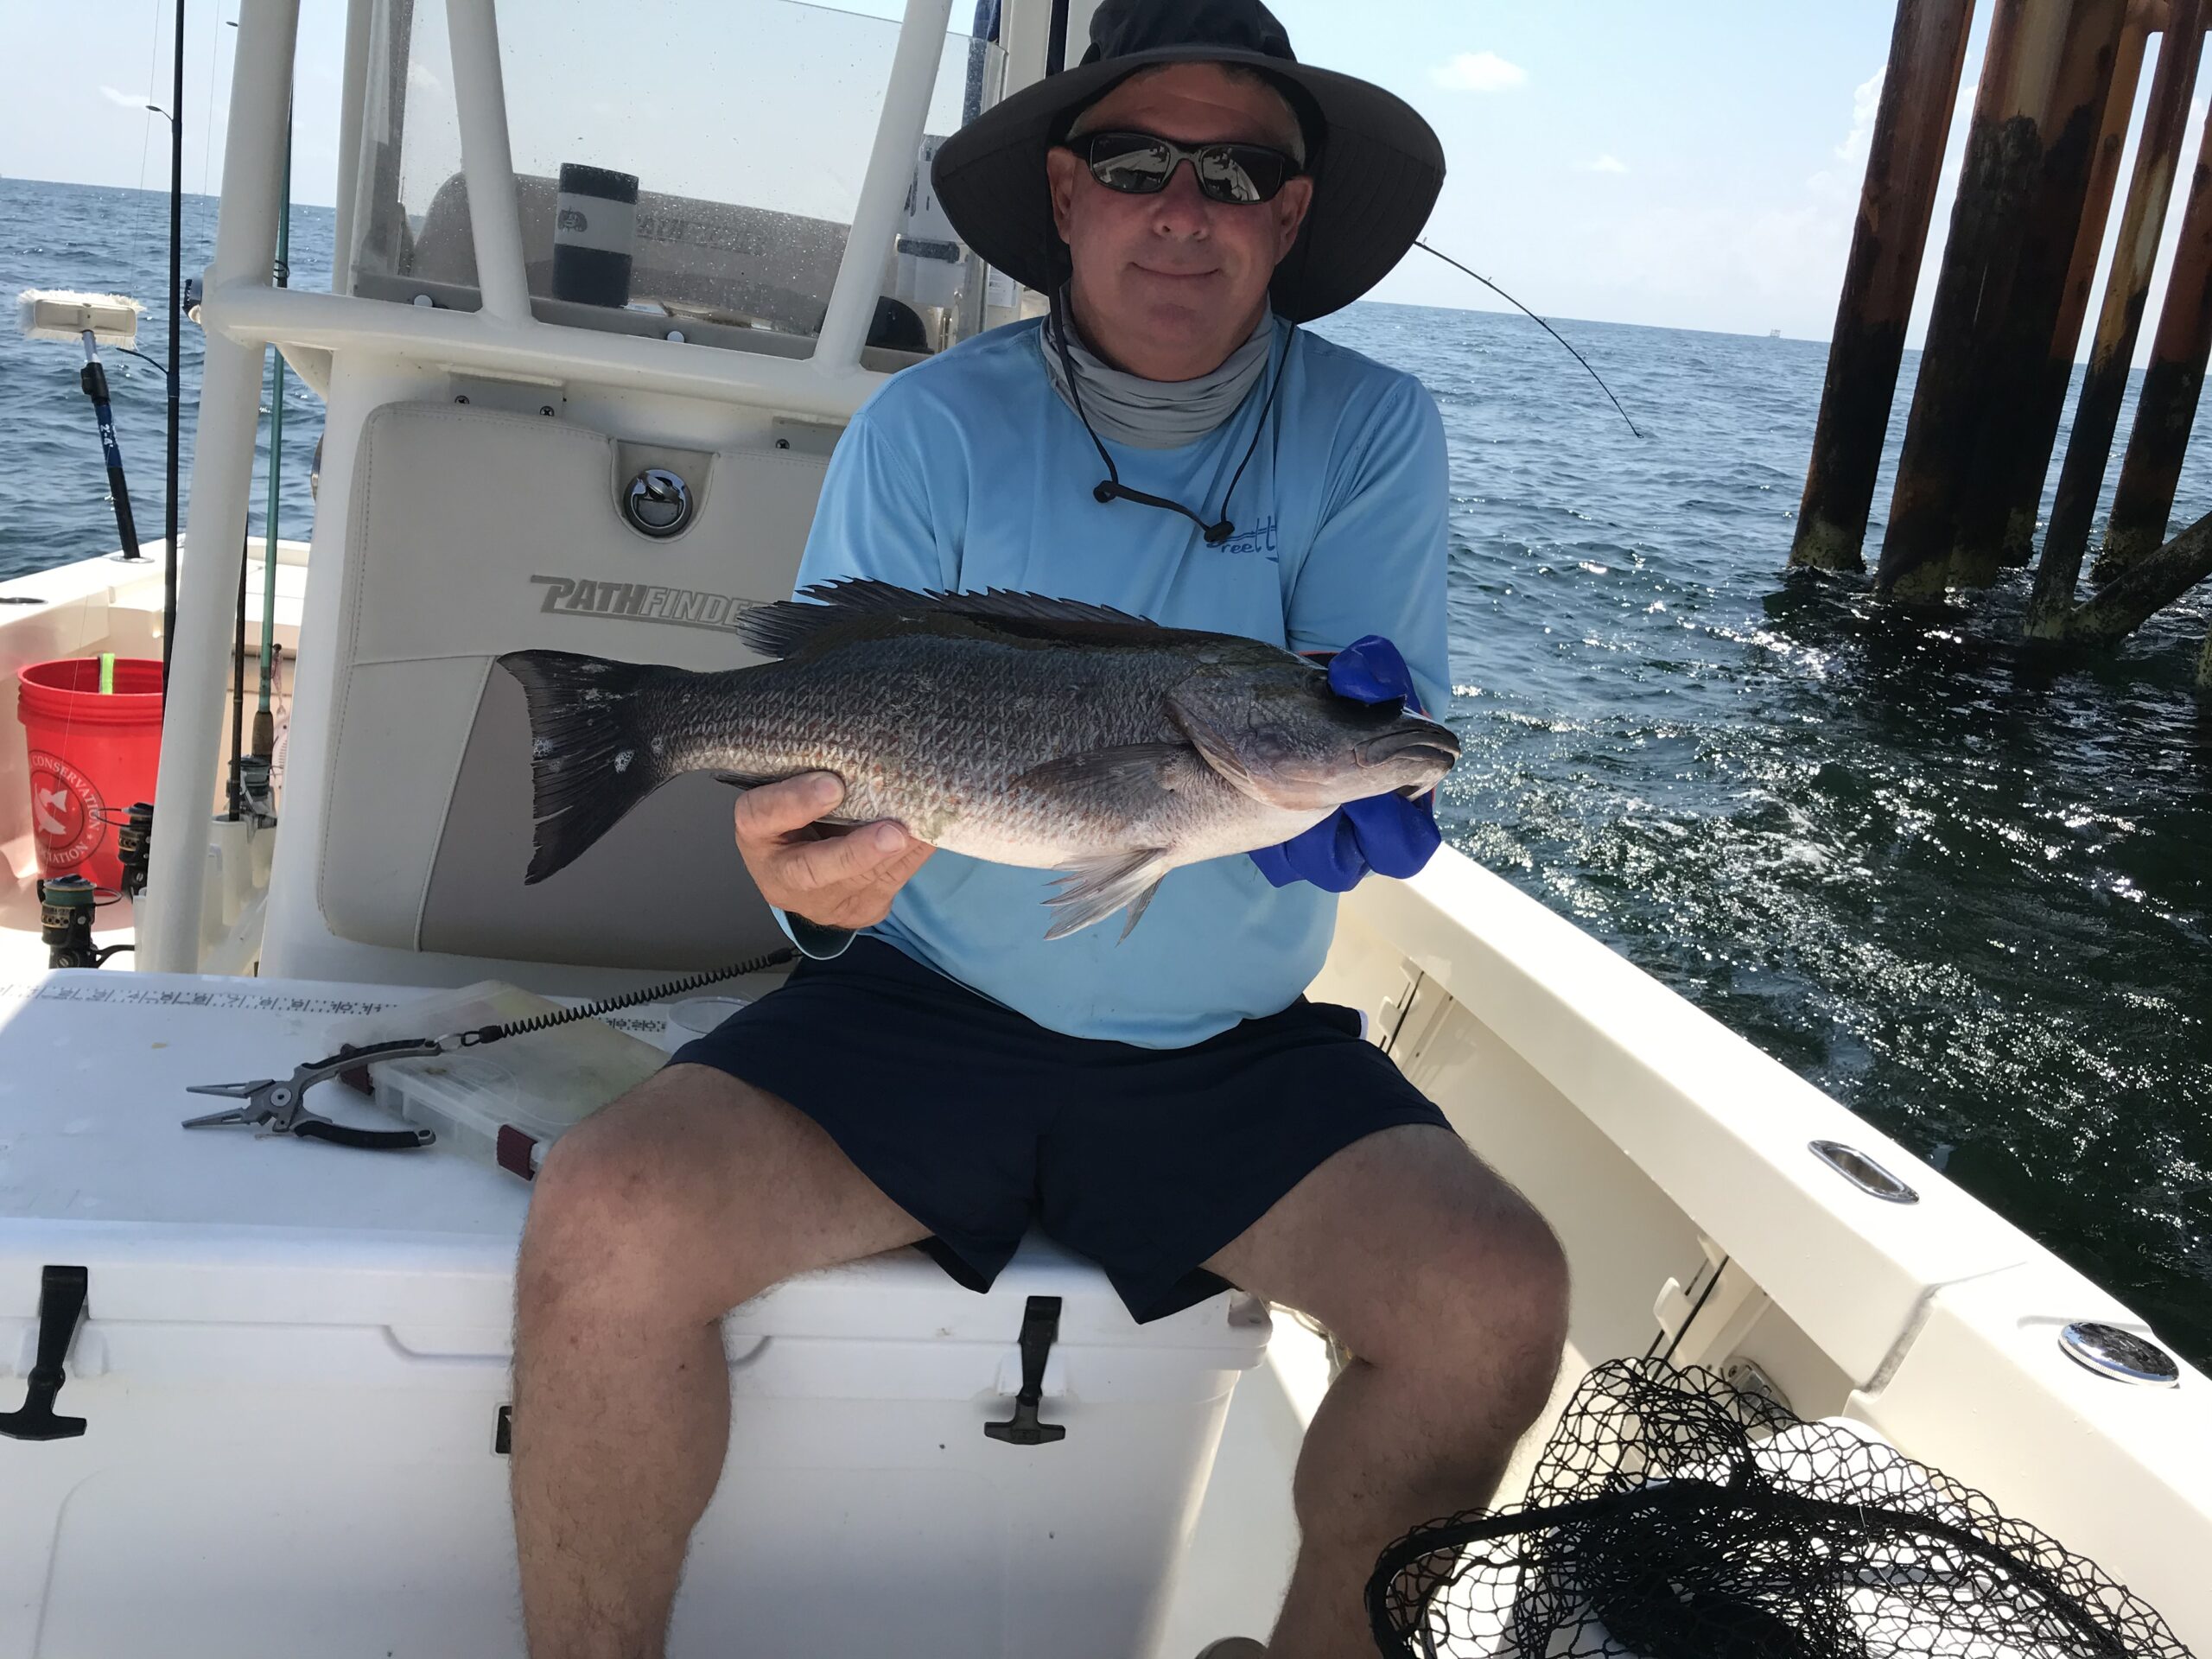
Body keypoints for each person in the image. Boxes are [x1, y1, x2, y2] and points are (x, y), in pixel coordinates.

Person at [509, 3, 1569, 1655]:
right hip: (922, 1013)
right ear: (1068, 194)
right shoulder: (928, 427)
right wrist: (812, 893)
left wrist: (1352, 770)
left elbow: (1370, 723)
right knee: (607, 1217)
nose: (1184, 210)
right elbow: (832, 750)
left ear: (1290, 218)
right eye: (1140, 164)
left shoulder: (1372, 430)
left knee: (1498, 1295)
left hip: (1229, 1047)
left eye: (1238, 175)